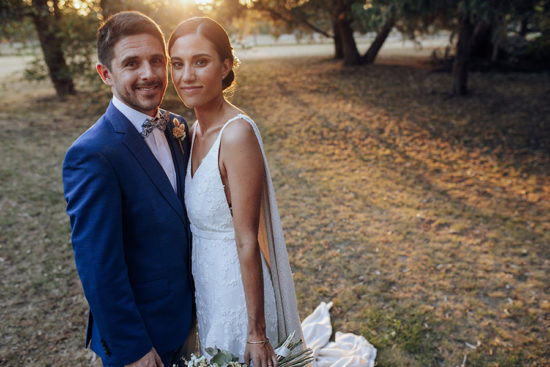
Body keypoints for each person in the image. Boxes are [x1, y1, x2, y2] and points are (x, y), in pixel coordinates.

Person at [167, 17, 304, 367]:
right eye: (177, 64)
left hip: (238, 296)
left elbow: (247, 239)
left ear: (226, 66)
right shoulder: (193, 130)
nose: (186, 76)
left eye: (201, 62)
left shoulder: (236, 135)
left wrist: (255, 332)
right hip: (207, 283)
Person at [62, 11, 194, 367]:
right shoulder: (92, 155)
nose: (149, 74)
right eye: (132, 63)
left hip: (191, 320)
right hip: (145, 338)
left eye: (156, 61)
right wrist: (132, 348)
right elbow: (99, 266)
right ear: (106, 73)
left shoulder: (176, 127)